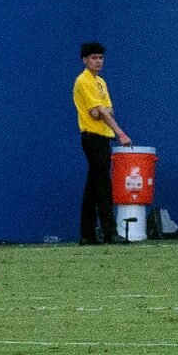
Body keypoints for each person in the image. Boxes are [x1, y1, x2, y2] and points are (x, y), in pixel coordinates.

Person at [72, 41, 129, 245]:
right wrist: (120, 132)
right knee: (103, 185)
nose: (98, 61)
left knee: (93, 186)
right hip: (92, 136)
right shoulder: (83, 81)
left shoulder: (101, 83)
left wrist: (101, 112)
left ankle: (87, 233)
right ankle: (109, 232)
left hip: (102, 136)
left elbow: (106, 110)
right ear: (85, 60)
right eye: (94, 58)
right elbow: (99, 112)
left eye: (100, 58)